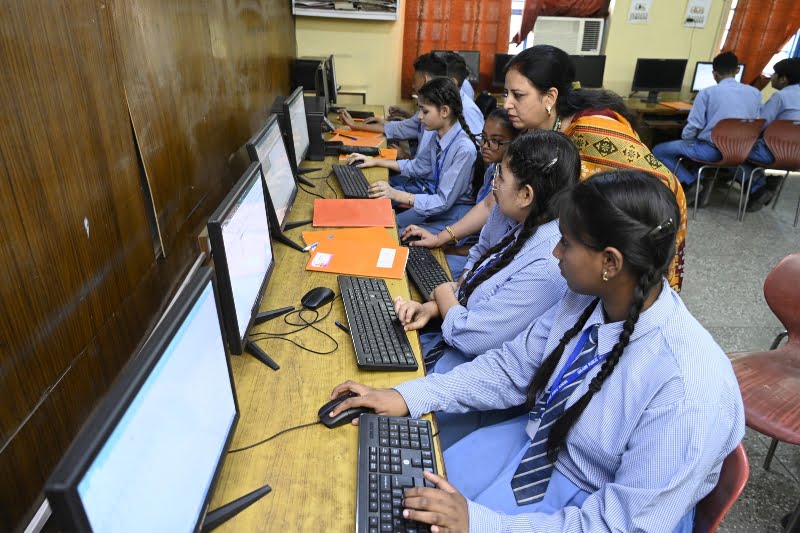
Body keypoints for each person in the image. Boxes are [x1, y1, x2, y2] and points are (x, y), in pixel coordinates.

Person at [328, 170, 745, 532]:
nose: (555, 252)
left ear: (610, 262)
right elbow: (512, 369)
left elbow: (620, 523)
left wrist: (479, 523)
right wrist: (408, 394)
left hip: (592, 505)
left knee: (416, 506)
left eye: (566, 243)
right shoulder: (588, 298)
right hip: (537, 446)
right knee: (390, 491)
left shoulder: (688, 390)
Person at [392, 130, 579, 448]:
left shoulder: (547, 263)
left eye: (500, 176)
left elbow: (471, 336)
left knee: (391, 426)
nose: (493, 183)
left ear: (526, 195)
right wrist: (434, 306)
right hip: (452, 348)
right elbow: (475, 285)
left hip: (474, 380)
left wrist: (442, 292)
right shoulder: (525, 227)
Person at [503, 44, 688, 292]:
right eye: (506, 94)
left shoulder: (591, 131)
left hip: (648, 215)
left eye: (518, 95)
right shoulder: (537, 128)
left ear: (550, 98)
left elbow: (661, 182)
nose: (507, 104)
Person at [347, 77, 480, 235]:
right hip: (434, 203)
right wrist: (376, 161)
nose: (419, 117)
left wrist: (395, 193)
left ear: (444, 111)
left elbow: (443, 202)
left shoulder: (464, 149)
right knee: (386, 222)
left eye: (425, 111)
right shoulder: (437, 134)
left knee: (394, 233)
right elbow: (418, 167)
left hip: (454, 215)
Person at [401, 108, 521, 277]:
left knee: (423, 267)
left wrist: (451, 247)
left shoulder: (511, 180)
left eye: (495, 141)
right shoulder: (493, 170)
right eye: (484, 138)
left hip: (481, 253)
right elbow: (486, 207)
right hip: (471, 245)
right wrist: (441, 240)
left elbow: (490, 243)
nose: (485, 146)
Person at [652, 51, 761, 206]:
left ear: (714, 74)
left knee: (659, 150)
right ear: (737, 70)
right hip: (741, 150)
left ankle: (690, 181)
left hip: (711, 151)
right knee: (721, 153)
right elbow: (755, 121)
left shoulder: (707, 93)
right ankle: (757, 185)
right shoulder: (755, 93)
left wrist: (687, 140)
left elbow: (693, 126)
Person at [338, 53, 447, 159]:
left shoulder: (439, 119)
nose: (413, 86)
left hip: (415, 173)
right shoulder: (436, 107)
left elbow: (426, 169)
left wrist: (406, 157)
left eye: (415, 80)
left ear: (425, 80)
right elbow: (402, 127)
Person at [745, 57, 800, 212]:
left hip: (773, 153)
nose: (771, 77)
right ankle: (772, 180)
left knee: (732, 152)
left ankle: (758, 188)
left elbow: (761, 124)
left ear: (783, 79)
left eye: (774, 74)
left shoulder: (781, 96)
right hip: (797, 156)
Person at [440, 52, 485, 135]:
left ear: (452, 82)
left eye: (437, 79)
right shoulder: (444, 102)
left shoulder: (468, 111)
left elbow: (477, 144)